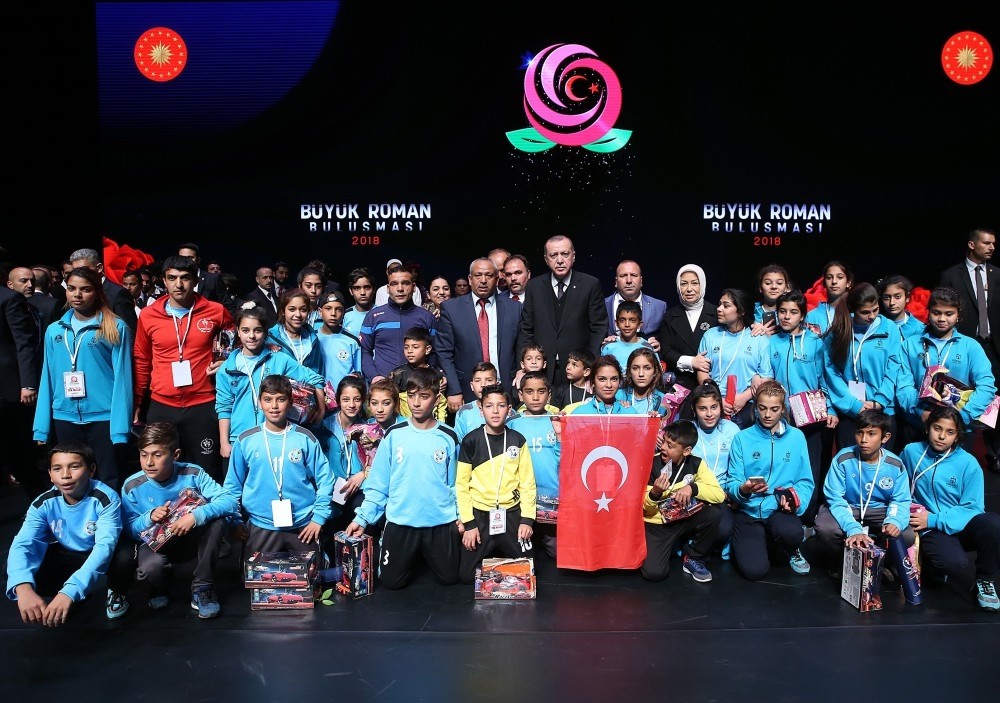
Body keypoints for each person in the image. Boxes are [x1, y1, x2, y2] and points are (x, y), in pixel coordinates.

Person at [344, 367, 462, 590]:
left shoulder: (449, 436)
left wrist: (461, 516)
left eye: (424, 396)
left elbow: (458, 484)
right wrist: (362, 519)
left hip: (439, 522)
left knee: (450, 579)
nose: (416, 403)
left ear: (437, 399)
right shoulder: (394, 434)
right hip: (401, 521)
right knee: (391, 582)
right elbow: (378, 484)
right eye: (411, 395)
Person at [109, 422, 240, 619]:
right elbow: (129, 529)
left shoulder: (192, 473)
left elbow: (229, 501)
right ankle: (159, 586)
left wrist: (195, 516)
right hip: (157, 544)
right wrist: (148, 517)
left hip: (191, 538)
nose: (149, 462)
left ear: (175, 455)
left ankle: (202, 588)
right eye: (144, 455)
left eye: (157, 455)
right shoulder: (132, 486)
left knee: (217, 522)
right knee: (151, 568)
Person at [133, 255, 235, 481]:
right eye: (172, 278)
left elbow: (236, 342)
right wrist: (138, 402)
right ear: (163, 281)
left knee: (208, 471)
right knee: (160, 471)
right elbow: (142, 359)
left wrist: (227, 361)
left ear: (196, 280)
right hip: (162, 404)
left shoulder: (215, 311)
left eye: (185, 278)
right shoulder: (149, 315)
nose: (178, 284)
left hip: (203, 403)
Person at [32, 267, 133, 490]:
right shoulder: (54, 330)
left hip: (104, 417)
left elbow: (123, 380)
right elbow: (47, 377)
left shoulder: (115, 327)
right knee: (72, 480)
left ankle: (110, 514)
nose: (77, 294)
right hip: (64, 417)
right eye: (71, 289)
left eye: (85, 289)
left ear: (97, 292)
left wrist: (120, 428)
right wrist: (41, 426)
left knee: (108, 478)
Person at [5, 442, 122, 627]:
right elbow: (23, 543)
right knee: (16, 569)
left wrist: (70, 591)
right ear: (50, 475)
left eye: (74, 467)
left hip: (105, 553)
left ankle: (118, 590)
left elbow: (104, 547)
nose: (65, 475)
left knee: (125, 558)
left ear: (91, 470)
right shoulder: (43, 503)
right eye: (57, 468)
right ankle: (74, 595)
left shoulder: (106, 498)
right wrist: (23, 587)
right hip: (72, 553)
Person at [901, 406, 1000, 611]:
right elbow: (898, 484)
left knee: (993, 524)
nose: (941, 436)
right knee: (954, 563)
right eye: (937, 428)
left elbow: (973, 507)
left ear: (957, 436)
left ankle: (985, 580)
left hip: (952, 523)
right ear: (928, 428)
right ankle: (934, 565)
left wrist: (934, 519)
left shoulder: (968, 463)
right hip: (928, 527)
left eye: (950, 432)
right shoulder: (911, 452)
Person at [224, 374, 334, 555]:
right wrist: (235, 520)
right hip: (261, 524)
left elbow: (326, 479)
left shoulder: (305, 438)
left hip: (304, 525)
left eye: (280, 399)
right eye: (268, 400)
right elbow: (232, 485)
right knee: (258, 574)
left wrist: (319, 518)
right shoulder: (245, 440)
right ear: (259, 402)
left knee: (311, 573)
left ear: (290, 402)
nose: (274, 406)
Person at [725, 380, 814, 581]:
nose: (767, 414)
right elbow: (733, 481)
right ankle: (760, 542)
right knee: (754, 571)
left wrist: (794, 501)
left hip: (778, 510)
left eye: (774, 409)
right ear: (755, 407)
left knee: (791, 533)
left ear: (782, 409)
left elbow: (805, 480)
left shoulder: (797, 437)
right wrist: (743, 489)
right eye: (762, 408)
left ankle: (792, 548)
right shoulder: (742, 438)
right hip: (749, 510)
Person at [216, 306, 326, 459]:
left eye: (257, 330)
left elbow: (314, 378)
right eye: (246, 330)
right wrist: (224, 443)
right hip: (240, 438)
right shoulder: (227, 369)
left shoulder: (279, 359)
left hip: (276, 437)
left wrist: (321, 409)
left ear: (266, 332)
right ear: (238, 332)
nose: (251, 336)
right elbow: (224, 407)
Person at [814, 409, 914, 577]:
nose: (864, 440)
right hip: (849, 507)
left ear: (885, 437)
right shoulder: (843, 459)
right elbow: (835, 498)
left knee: (906, 534)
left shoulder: (895, 464)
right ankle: (839, 561)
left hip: (879, 510)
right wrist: (852, 528)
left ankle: (882, 563)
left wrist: (895, 521)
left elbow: (900, 500)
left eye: (871, 434)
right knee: (826, 527)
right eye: (859, 432)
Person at [769, 289, 838, 527]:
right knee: (783, 465)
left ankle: (808, 518)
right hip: (780, 416)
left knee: (810, 466)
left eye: (793, 312)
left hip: (811, 416)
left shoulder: (815, 343)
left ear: (802, 316)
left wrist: (831, 408)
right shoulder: (771, 342)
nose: (786, 316)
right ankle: (782, 514)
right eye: (782, 311)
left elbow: (824, 378)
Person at [823, 281, 917, 455]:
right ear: (853, 309)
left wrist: (879, 400)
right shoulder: (840, 330)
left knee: (881, 465)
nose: (872, 316)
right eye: (865, 312)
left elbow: (893, 367)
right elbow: (831, 372)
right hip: (850, 412)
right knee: (849, 464)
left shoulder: (889, 329)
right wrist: (853, 404)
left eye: (875, 310)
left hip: (883, 411)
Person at [456, 384, 536, 584]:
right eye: (489, 406)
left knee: (529, 572)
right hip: (480, 515)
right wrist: (469, 524)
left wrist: (527, 519)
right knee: (466, 576)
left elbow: (527, 482)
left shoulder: (517, 440)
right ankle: (497, 566)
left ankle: (499, 562)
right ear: (481, 410)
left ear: (509, 410)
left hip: (511, 513)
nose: (495, 411)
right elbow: (462, 485)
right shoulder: (471, 441)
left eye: (501, 406)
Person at [900, 286, 995, 452]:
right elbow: (903, 385)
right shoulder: (910, 344)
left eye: (949, 314)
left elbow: (987, 386)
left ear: (958, 315)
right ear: (928, 312)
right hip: (919, 425)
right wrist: (920, 412)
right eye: (936, 313)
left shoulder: (970, 346)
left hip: (959, 428)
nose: (941, 319)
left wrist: (961, 417)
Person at [939, 227, 1000, 474]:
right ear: (972, 245)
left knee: (993, 400)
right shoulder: (951, 275)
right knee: (960, 396)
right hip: (962, 346)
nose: (992, 247)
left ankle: (994, 453)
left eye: (993, 243)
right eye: (986, 243)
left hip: (993, 346)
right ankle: (956, 450)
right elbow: (943, 308)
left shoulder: (997, 274)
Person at [517, 235, 608, 386]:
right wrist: (522, 367)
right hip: (542, 371)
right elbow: (526, 329)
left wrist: (591, 367)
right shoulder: (534, 286)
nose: (560, 260)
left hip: (579, 374)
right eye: (554, 255)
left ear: (573, 256)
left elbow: (598, 328)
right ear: (546, 259)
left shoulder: (590, 285)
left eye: (565, 254)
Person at [641, 420, 724, 583]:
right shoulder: (651, 464)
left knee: (713, 513)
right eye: (664, 441)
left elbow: (719, 495)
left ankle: (693, 557)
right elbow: (645, 509)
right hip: (657, 525)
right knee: (654, 573)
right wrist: (655, 493)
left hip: (682, 518)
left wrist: (693, 488)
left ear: (686, 451)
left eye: (670, 445)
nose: (663, 447)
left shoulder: (696, 463)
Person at [436, 257, 521, 411]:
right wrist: (454, 390)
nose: (483, 280)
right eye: (478, 275)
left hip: (506, 389)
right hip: (466, 391)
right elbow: (444, 352)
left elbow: (521, 347)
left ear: (497, 279)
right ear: (470, 279)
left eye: (488, 275)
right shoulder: (451, 309)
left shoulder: (514, 308)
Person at [697, 288, 773, 428]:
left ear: (741, 311)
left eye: (726, 306)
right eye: (719, 304)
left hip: (746, 404)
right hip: (713, 403)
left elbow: (766, 377)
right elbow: (702, 371)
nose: (719, 309)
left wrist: (743, 397)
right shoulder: (710, 335)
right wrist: (716, 398)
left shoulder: (758, 338)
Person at [508, 371, 562, 559]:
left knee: (556, 553)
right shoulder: (512, 423)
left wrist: (560, 436)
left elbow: (565, 458)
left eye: (541, 391)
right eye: (529, 392)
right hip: (521, 498)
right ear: (520, 395)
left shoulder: (557, 420)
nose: (536, 397)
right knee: (523, 553)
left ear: (549, 394)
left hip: (552, 496)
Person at [360, 264, 437, 383]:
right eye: (394, 284)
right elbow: (365, 351)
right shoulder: (373, 317)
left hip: (418, 387)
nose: (400, 288)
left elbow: (434, 353)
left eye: (405, 283)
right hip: (383, 387)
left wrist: (432, 376)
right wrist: (374, 377)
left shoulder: (427, 317)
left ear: (414, 287)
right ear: (388, 288)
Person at [689, 379, 741, 555]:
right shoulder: (688, 430)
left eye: (714, 407)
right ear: (694, 410)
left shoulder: (732, 430)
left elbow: (738, 466)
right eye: (703, 409)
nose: (709, 414)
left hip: (722, 495)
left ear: (720, 406)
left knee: (722, 529)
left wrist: (731, 492)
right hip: (694, 494)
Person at [0, 284, 42, 494]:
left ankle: (40, 500)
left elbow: (23, 342)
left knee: (18, 453)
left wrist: (27, 383)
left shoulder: (9, 298)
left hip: (7, 387)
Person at [319, 376, 368, 535]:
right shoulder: (324, 427)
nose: (351, 405)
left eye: (357, 399)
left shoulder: (369, 429)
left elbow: (377, 462)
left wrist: (363, 474)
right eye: (346, 399)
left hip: (358, 490)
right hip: (331, 490)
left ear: (363, 400)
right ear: (338, 400)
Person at [660, 264, 718, 396]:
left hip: (712, 382)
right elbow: (666, 351)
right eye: (684, 284)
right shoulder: (670, 315)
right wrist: (691, 362)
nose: (689, 289)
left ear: (702, 284)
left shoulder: (716, 313)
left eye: (695, 283)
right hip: (680, 386)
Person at [68, 247, 138, 336]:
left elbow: (129, 331)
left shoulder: (118, 293)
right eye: (75, 270)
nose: (79, 274)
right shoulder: (74, 294)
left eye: (84, 269)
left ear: (99, 268)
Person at [604, 260, 667, 351]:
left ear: (641, 281)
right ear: (616, 282)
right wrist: (602, 343)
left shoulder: (659, 307)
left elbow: (667, 341)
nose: (629, 281)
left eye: (633, 275)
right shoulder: (602, 305)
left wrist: (661, 346)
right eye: (623, 275)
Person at [388, 326, 448, 422]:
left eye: (415, 347)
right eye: (406, 347)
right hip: (404, 423)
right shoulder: (398, 374)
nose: (410, 351)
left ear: (427, 349)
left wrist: (441, 422)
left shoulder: (435, 375)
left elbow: (441, 403)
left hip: (430, 423)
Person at [267, 287, 325, 378]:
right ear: (283, 311)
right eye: (292, 309)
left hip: (309, 386)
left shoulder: (312, 338)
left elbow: (319, 370)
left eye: (303, 310)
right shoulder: (270, 338)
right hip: (281, 386)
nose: (298, 315)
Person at [315, 290, 362, 395]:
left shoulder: (352, 341)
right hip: (318, 398)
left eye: (338, 309)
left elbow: (358, 375)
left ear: (343, 313)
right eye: (328, 308)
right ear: (320, 311)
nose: (333, 314)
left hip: (345, 399)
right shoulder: (312, 339)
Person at [601, 300, 658, 375]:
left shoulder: (648, 347)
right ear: (616, 323)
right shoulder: (608, 346)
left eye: (632, 320)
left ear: (640, 324)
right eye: (622, 320)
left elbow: (656, 373)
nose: (627, 324)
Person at [175, 243, 233, 315]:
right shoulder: (173, 280)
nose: (185, 261)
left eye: (190, 258)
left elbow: (228, 306)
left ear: (198, 260)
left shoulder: (213, 279)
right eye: (181, 258)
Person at [569, 355, 637, 415]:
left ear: (619, 381)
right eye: (602, 379)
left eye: (614, 379)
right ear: (592, 382)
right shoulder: (579, 414)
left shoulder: (630, 413)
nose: (609, 385)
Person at [805, 260, 854, 335]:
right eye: (829, 277)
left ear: (848, 283)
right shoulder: (812, 316)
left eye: (840, 277)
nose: (834, 281)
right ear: (824, 283)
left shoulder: (856, 312)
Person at [453, 361, 499, 441]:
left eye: (488, 380)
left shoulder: (508, 412)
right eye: (478, 380)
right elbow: (459, 442)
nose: (483, 385)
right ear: (472, 386)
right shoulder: (464, 412)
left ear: (497, 384)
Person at [620, 346, 665, 417]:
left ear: (655, 371)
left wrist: (658, 421)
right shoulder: (617, 396)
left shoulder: (664, 401)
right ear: (629, 371)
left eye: (647, 368)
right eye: (635, 368)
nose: (641, 374)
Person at [877, 274, 924, 341]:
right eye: (886, 298)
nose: (892, 303)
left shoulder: (919, 329)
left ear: (907, 297)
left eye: (897, 297)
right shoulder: (875, 326)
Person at [751, 263, 792, 335]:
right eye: (768, 283)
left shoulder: (793, 310)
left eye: (779, 283)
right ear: (760, 287)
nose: (774, 287)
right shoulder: (750, 310)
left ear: (786, 287)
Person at [343, 267, 376, 339]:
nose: (362, 293)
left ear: (374, 289)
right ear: (351, 291)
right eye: (357, 288)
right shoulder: (344, 315)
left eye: (367, 287)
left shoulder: (383, 314)